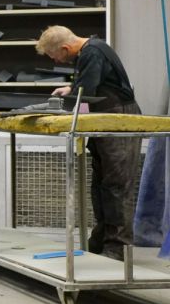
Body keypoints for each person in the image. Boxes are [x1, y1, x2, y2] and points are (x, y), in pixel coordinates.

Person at [36, 25, 142, 260]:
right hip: (105, 119)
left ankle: (118, 247)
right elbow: (90, 85)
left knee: (116, 185)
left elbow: (86, 92)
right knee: (101, 185)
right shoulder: (91, 50)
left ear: (65, 48)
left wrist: (58, 110)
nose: (55, 61)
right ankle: (102, 240)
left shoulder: (92, 52)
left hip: (118, 120)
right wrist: (70, 88)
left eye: (54, 55)